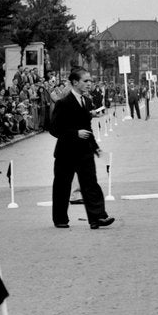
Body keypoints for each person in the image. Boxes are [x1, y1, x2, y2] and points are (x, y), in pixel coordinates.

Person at [48, 69, 114, 230]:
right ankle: (60, 219)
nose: (89, 84)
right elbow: (54, 129)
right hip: (66, 152)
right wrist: (75, 133)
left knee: (91, 184)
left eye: (90, 81)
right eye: (85, 81)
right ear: (75, 82)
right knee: (62, 186)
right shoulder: (63, 103)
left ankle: (97, 217)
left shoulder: (87, 101)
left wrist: (96, 148)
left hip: (84, 151)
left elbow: (87, 127)